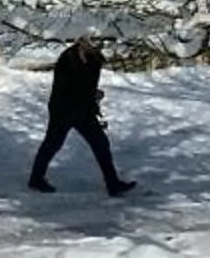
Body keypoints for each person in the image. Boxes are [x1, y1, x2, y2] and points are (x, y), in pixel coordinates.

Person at [29, 35, 135, 195]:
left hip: (83, 110)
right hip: (62, 109)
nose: (92, 48)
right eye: (89, 44)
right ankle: (36, 179)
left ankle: (112, 184)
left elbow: (90, 85)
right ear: (81, 44)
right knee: (53, 144)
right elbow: (64, 88)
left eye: (95, 46)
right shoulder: (67, 59)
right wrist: (87, 96)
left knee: (101, 144)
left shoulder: (95, 61)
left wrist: (94, 98)